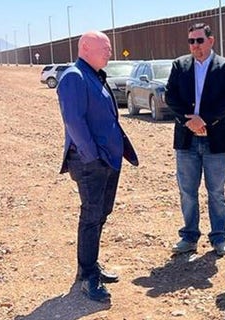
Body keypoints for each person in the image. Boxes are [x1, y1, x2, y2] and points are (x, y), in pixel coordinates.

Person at [57, 30, 138, 302]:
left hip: (107, 160)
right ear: (85, 47)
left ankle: (89, 265)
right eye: (105, 47)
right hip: (92, 163)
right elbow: (74, 122)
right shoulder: (74, 77)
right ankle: (88, 275)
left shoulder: (94, 74)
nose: (110, 52)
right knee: (91, 216)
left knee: (101, 213)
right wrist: (93, 157)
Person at [164, 23, 225, 257]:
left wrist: (203, 120)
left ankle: (219, 238)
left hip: (215, 140)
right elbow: (171, 96)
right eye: (191, 41)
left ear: (211, 40)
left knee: (216, 192)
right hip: (187, 140)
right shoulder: (180, 65)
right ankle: (189, 236)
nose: (195, 45)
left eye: (199, 40)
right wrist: (189, 122)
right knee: (187, 191)